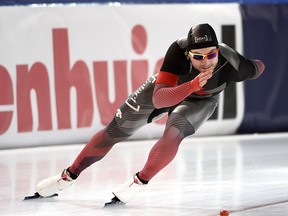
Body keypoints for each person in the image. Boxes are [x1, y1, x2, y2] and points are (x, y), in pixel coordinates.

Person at [35, 23, 265, 205]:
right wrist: (191, 85)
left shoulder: (232, 63)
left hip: (201, 100)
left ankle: (139, 181)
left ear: (218, 51)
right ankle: (67, 177)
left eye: (211, 55)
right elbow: (158, 99)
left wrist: (253, 66)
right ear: (188, 54)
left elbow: (258, 67)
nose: (206, 62)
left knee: (174, 131)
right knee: (115, 129)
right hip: (170, 89)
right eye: (198, 57)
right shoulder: (177, 49)